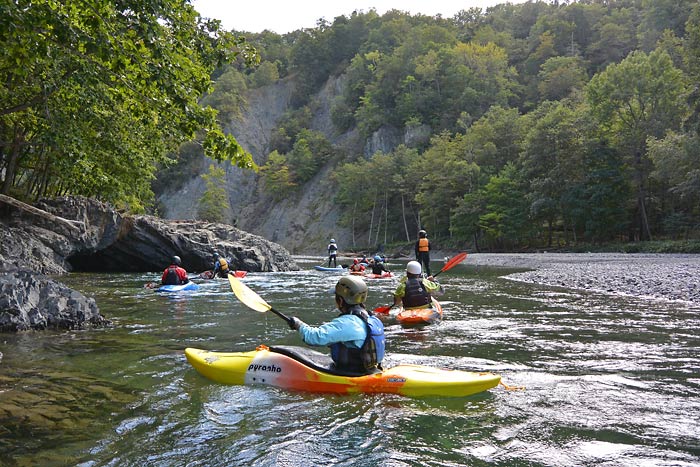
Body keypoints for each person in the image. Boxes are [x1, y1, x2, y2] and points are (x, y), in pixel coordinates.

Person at [288, 276, 385, 374]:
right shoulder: (371, 318)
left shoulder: (347, 323)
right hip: (367, 370)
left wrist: (298, 324)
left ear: (341, 301)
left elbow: (313, 337)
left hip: (351, 374)